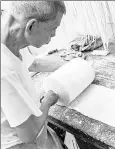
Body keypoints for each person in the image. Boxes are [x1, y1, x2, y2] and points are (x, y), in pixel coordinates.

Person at [1, 1, 68, 149]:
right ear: (31, 26)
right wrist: (47, 102)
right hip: (20, 144)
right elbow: (28, 135)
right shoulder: (4, 70)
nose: (54, 34)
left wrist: (69, 64)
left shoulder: (14, 37)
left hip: (34, 124)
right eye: (53, 28)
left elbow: (34, 64)